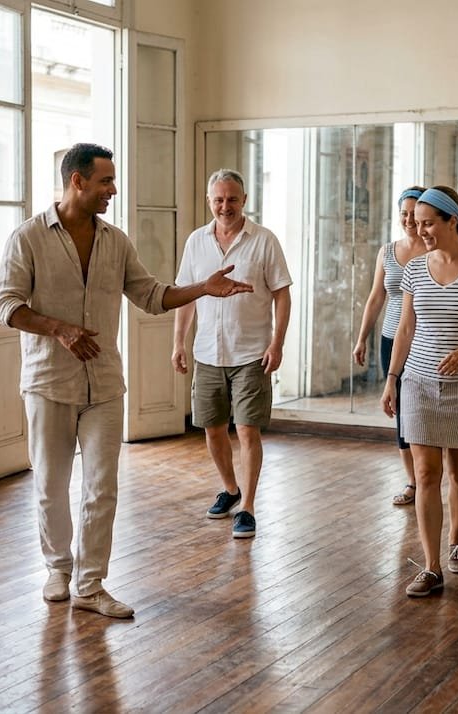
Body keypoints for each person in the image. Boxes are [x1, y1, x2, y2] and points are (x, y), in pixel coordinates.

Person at [0, 143, 252, 618]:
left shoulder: (115, 240)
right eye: (105, 181)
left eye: (112, 181)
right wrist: (61, 329)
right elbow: (6, 305)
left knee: (101, 486)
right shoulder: (27, 238)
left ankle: (90, 586)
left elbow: (152, 296)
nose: (113, 190)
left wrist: (203, 288)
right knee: (51, 482)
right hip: (48, 381)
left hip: (105, 384)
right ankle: (57, 568)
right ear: (77, 181)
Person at [380, 186, 458, 597]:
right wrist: (392, 377)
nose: (422, 231)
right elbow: (405, 328)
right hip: (418, 382)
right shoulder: (415, 269)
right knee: (425, 474)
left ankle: (457, 537)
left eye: (429, 223)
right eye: (417, 225)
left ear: (452, 220)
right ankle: (431, 566)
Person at [172, 169, 292, 539]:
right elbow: (187, 295)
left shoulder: (264, 241)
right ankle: (229, 489)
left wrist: (277, 343)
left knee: (247, 429)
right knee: (211, 428)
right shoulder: (196, 242)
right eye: (219, 199)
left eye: (232, 199)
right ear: (209, 201)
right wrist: (178, 342)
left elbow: (282, 294)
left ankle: (248, 506)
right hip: (208, 351)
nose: (226, 206)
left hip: (251, 352)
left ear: (244, 200)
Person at [353, 186, 429, 506]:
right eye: (404, 213)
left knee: (422, 408)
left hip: (425, 340)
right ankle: (413, 482)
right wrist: (362, 338)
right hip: (390, 339)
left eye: (415, 213)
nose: (409, 219)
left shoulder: (433, 249)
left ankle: (429, 475)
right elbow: (375, 297)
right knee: (400, 409)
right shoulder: (387, 251)